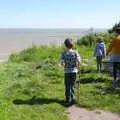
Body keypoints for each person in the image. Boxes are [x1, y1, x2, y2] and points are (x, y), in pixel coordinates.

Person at [60, 38, 81, 105]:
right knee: (72, 85)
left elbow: (61, 63)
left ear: (65, 45)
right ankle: (73, 98)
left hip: (67, 71)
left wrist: (64, 64)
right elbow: (79, 61)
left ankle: (67, 98)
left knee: (67, 85)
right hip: (74, 71)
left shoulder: (63, 53)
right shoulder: (75, 52)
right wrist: (78, 64)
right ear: (72, 45)